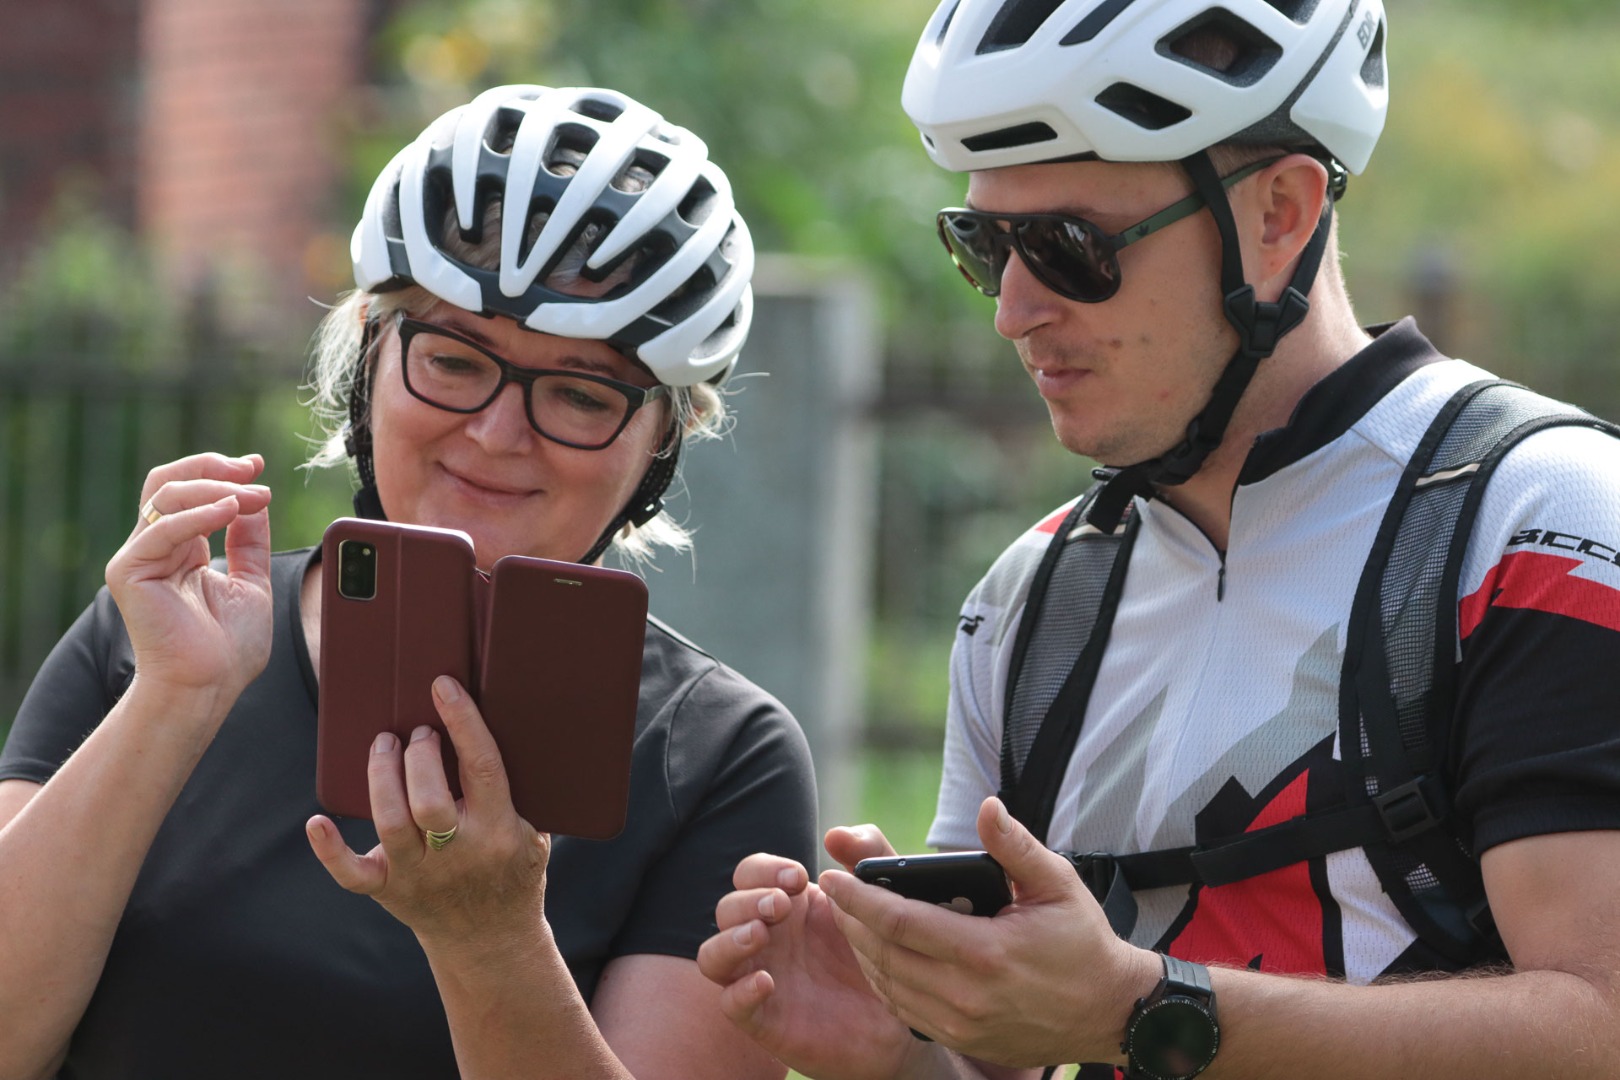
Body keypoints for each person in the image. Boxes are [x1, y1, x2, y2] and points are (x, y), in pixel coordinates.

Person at [699, 1, 1620, 1077]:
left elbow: (1599, 1022)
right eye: (985, 245)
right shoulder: (1029, 604)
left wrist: (1148, 1010)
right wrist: (900, 1054)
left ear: (1280, 212)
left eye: (1068, 247)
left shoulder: (1541, 523)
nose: (1014, 308)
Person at [0, 84, 816, 1080]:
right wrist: (172, 704)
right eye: (455, 361)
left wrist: (491, 938)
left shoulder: (721, 760)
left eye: (577, 392)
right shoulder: (159, 643)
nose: (496, 434)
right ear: (368, 362)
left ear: (658, 447)